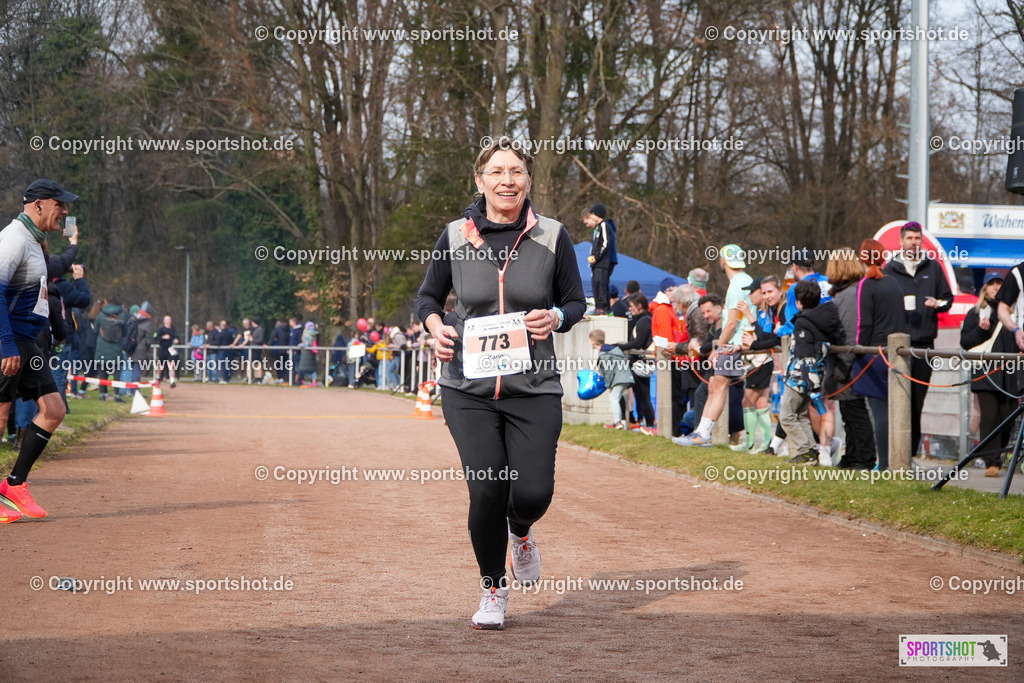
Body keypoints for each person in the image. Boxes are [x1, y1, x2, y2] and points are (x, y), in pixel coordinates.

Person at [416, 135, 585, 630]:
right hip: (467, 391)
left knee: (532, 493)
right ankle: (493, 587)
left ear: (528, 180)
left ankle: (522, 531)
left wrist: (555, 316)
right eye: (497, 172)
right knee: (487, 488)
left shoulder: (552, 236)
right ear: (480, 180)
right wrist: (435, 328)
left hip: (533, 386)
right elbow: (427, 298)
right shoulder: (455, 235)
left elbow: (576, 303)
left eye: (516, 172)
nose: (506, 180)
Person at [0, 180, 78, 522]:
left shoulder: (34, 241)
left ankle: (14, 484)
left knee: (54, 409)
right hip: (9, 340)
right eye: (59, 205)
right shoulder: (14, 238)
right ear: (38, 205)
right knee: (1, 415)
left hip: (27, 342)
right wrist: (4, 343)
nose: (65, 211)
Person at [884, 221, 953, 458]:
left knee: (916, 403)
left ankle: (909, 455)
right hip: (897, 345)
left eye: (917, 238)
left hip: (924, 346)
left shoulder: (932, 267)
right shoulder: (890, 268)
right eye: (910, 238)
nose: (914, 242)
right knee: (896, 401)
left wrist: (938, 304)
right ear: (901, 241)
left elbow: (948, 299)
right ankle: (892, 453)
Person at [674, 244, 752, 446]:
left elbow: (732, 322)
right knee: (714, 387)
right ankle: (701, 432)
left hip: (734, 344)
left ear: (723, 261)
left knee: (717, 387)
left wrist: (718, 348)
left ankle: (704, 434)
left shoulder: (736, 285)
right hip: (737, 342)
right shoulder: (746, 280)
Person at [853, 239, 909, 470]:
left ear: (862, 257)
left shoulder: (866, 285)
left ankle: (884, 462)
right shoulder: (894, 282)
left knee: (879, 411)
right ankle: (900, 459)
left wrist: (859, 349)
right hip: (896, 354)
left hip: (874, 355)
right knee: (897, 409)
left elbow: (863, 324)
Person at [963, 272, 1020, 477]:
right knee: (989, 416)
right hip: (985, 373)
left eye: (999, 284)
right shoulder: (976, 313)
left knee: (1008, 418)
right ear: (984, 288)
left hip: (1010, 375)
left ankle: (998, 454)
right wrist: (980, 330)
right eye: (992, 284)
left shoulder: (1015, 313)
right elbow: (965, 343)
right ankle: (991, 462)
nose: (996, 287)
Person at [782, 280, 845, 465]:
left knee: (787, 416)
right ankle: (809, 453)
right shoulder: (827, 318)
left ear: (799, 301)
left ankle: (805, 449)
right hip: (816, 374)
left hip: (799, 377)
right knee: (800, 414)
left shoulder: (803, 322)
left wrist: (808, 381)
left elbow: (804, 355)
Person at [827, 249, 875, 469]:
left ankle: (863, 458)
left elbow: (848, 334)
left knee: (855, 412)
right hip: (851, 362)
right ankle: (853, 454)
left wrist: (842, 367)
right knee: (849, 412)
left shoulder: (848, 296)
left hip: (850, 364)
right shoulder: (851, 292)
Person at [734, 277, 774, 452]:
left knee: (747, 401)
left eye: (752, 291)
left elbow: (765, 336)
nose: (749, 295)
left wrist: (749, 316)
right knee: (761, 402)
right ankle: (763, 445)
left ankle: (752, 444)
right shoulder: (760, 312)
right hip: (759, 361)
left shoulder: (767, 313)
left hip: (762, 361)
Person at [617, 293, 655, 433]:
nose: (630, 309)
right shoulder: (644, 319)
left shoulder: (645, 320)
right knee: (641, 393)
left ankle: (648, 422)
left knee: (642, 393)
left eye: (632, 306)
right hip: (641, 361)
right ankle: (642, 421)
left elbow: (638, 342)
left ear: (639, 306)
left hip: (642, 362)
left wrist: (620, 346)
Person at [590, 328, 634, 429]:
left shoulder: (603, 353)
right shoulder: (612, 349)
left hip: (619, 378)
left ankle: (617, 422)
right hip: (626, 376)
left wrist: (608, 384)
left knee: (613, 398)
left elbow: (608, 371)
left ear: (592, 342)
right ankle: (623, 422)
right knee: (618, 397)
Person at [584, 202, 617, 314]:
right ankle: (598, 306)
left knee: (601, 283)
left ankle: (603, 307)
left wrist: (597, 257)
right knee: (596, 283)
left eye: (591, 214)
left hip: (602, 263)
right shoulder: (598, 228)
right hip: (597, 263)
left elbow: (605, 243)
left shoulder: (604, 226)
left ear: (596, 214)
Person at [155, 314, 180, 387]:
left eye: (169, 320)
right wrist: (163, 337)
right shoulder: (161, 329)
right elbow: (155, 337)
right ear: (164, 321)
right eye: (167, 320)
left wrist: (176, 340)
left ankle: (172, 381)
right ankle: (157, 377)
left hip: (170, 349)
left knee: (171, 365)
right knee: (161, 366)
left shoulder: (173, 329)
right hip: (163, 349)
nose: (169, 321)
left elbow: (176, 336)